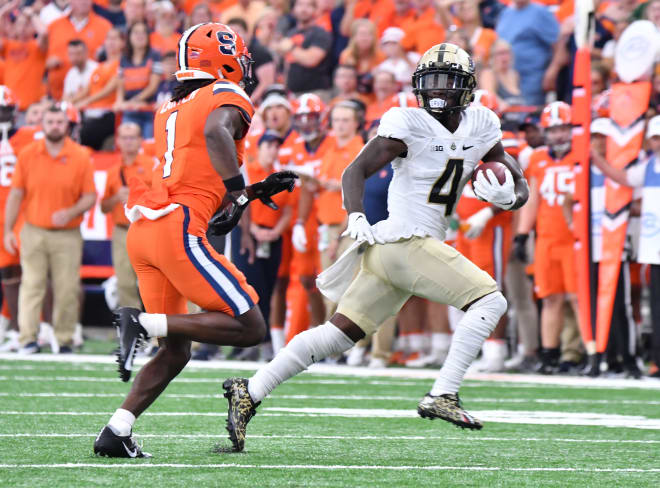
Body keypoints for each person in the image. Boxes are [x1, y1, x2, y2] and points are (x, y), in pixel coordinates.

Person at [222, 43, 528, 452]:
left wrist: (511, 198)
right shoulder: (409, 121)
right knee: (491, 302)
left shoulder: (482, 123)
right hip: (403, 240)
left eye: (446, 81)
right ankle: (444, 394)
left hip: (399, 252)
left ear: (467, 87)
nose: (437, 90)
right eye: (430, 80)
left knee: (337, 335)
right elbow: (356, 169)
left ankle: (250, 391)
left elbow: (516, 177)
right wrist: (355, 215)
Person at [92, 23, 293, 458]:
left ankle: (116, 429)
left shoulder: (173, 103)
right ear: (219, 59)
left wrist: (246, 192)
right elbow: (217, 134)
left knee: (176, 350)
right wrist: (240, 194)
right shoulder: (227, 95)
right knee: (250, 326)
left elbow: (198, 170)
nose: (243, 65)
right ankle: (139, 323)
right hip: (176, 228)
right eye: (237, 56)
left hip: (147, 230)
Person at [4, 104, 96, 355]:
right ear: (42, 125)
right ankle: (27, 339)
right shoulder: (28, 154)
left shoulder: (80, 155)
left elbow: (90, 196)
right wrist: (8, 229)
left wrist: (72, 211)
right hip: (33, 229)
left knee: (66, 288)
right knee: (31, 285)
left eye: (59, 122)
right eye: (50, 122)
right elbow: (16, 194)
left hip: (67, 233)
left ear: (67, 125)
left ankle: (64, 339)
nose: (55, 126)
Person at [514, 101, 579, 374]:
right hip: (547, 238)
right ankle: (550, 354)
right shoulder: (538, 159)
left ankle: (582, 353)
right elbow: (533, 198)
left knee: (577, 298)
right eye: (553, 130)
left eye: (563, 128)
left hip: (575, 239)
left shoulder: (581, 155)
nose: (558, 135)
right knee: (550, 298)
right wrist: (521, 234)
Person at [100, 122, 155, 310]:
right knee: (125, 283)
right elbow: (103, 207)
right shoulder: (112, 172)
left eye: (133, 137)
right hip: (122, 231)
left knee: (154, 281)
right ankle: (133, 333)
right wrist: (116, 197)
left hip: (148, 229)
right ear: (118, 141)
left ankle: (159, 332)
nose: (128, 142)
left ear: (140, 140)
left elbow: (163, 197)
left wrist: (141, 197)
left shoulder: (152, 166)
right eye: (124, 137)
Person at [495, 0, 559, 106]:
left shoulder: (541, 12)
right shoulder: (505, 14)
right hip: (507, 81)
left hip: (532, 79)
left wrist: (552, 71)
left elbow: (558, 45)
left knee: (528, 118)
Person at [275, 0, 333, 97]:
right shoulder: (290, 33)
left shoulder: (321, 33)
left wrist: (291, 47)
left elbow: (311, 60)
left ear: (316, 10)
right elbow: (286, 65)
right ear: (293, 9)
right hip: (292, 93)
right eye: (300, 5)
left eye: (308, 5)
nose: (303, 9)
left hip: (316, 92)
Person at [115, 21, 163, 139]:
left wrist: (134, 101)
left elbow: (153, 86)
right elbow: (120, 83)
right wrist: (120, 101)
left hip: (149, 110)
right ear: (129, 37)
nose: (140, 36)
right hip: (130, 109)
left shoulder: (155, 55)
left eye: (143, 33)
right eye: (136, 32)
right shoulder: (124, 58)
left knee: (149, 144)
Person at [63, 39, 98, 104]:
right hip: (76, 110)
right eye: (71, 54)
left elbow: (87, 92)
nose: (74, 57)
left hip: (94, 110)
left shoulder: (96, 69)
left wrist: (71, 100)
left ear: (86, 53)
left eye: (78, 53)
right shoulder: (71, 73)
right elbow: (65, 96)